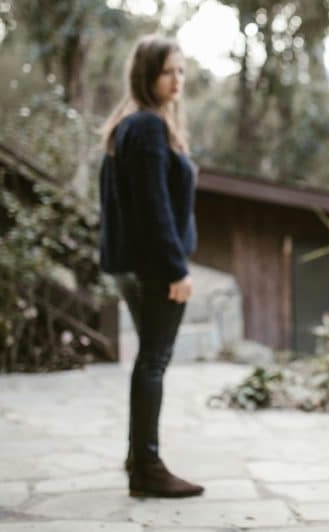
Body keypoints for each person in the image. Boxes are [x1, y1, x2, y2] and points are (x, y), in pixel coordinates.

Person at [98, 35, 202, 498]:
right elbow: (153, 207)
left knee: (149, 361)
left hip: (137, 266)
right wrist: (176, 269)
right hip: (154, 269)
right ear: (147, 75)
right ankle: (147, 467)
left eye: (181, 71)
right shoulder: (146, 128)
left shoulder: (132, 125)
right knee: (153, 362)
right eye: (167, 72)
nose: (177, 80)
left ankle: (138, 456)